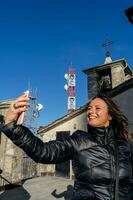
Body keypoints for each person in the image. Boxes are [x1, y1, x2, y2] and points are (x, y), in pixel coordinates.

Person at [0, 93, 133, 200]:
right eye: (89, 108)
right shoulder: (79, 139)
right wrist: (11, 126)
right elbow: (43, 151)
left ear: (110, 115)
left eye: (97, 108)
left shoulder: (125, 145)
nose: (91, 111)